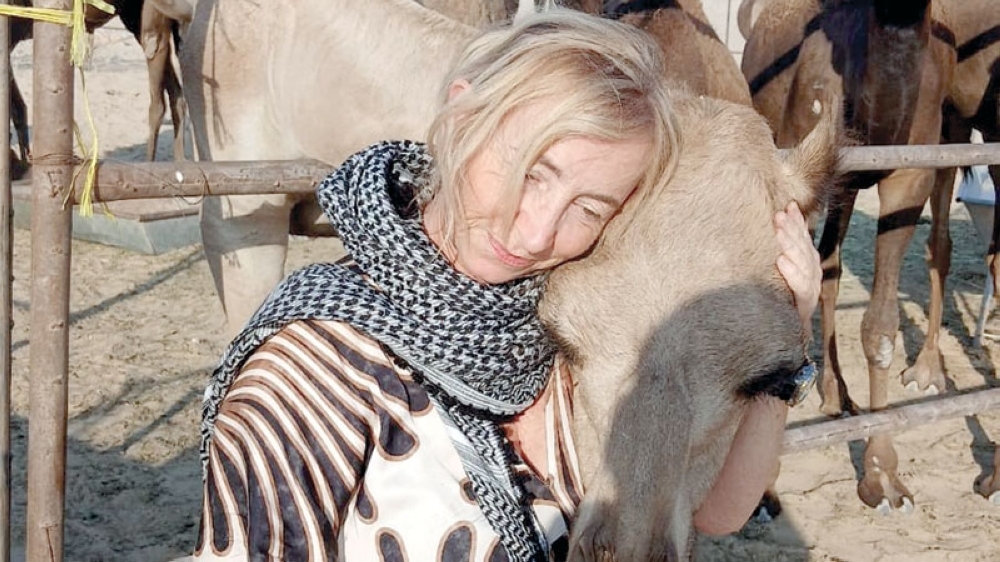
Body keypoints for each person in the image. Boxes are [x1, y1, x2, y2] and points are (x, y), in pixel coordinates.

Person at [192, 8, 822, 562]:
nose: (538, 230)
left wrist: (787, 335)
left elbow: (716, 512)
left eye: (591, 208)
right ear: (462, 113)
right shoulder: (310, 368)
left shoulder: (555, 325)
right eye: (532, 171)